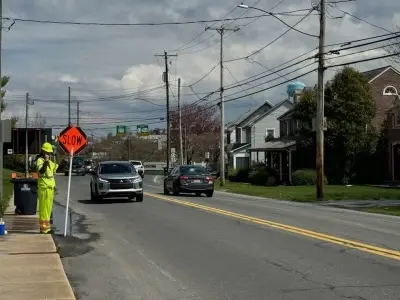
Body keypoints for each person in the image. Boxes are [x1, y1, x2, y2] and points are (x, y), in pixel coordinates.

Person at [36, 142, 58, 234]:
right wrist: (45, 161)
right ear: (43, 152)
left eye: (50, 153)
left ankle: (46, 227)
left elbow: (56, 167)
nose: (49, 154)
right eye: (47, 152)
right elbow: (41, 171)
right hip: (44, 188)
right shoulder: (40, 160)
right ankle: (43, 228)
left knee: (48, 209)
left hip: (50, 188)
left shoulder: (50, 162)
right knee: (43, 209)